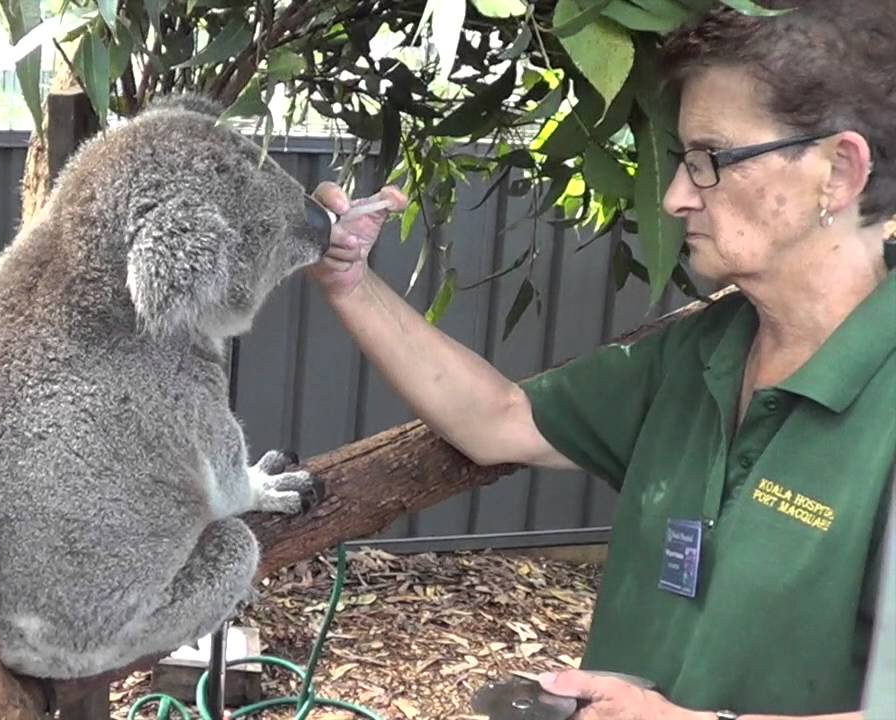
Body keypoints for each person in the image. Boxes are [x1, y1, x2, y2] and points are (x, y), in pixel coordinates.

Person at [307, 2, 895, 719]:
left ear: (839, 171)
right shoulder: (702, 352)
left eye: (709, 160)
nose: (677, 196)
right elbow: (498, 419)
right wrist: (351, 283)